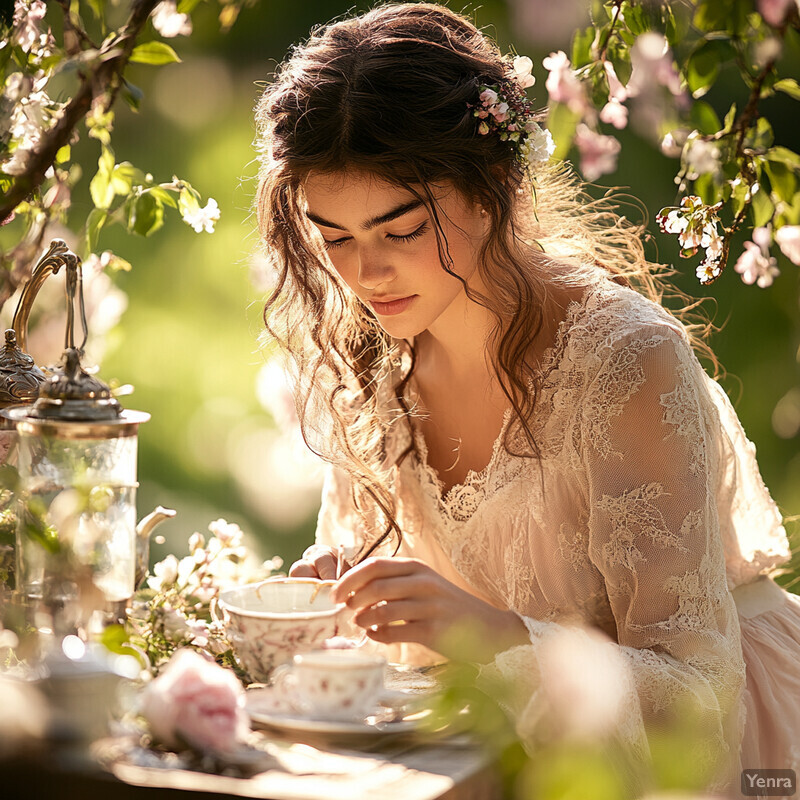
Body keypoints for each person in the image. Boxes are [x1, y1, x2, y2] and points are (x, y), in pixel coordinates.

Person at [253, 3, 800, 796]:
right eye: (333, 237)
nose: (364, 275)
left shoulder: (623, 364)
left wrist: (491, 634)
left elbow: (698, 701)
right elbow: (403, 649)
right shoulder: (369, 357)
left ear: (491, 188)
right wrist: (339, 601)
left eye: (399, 229)